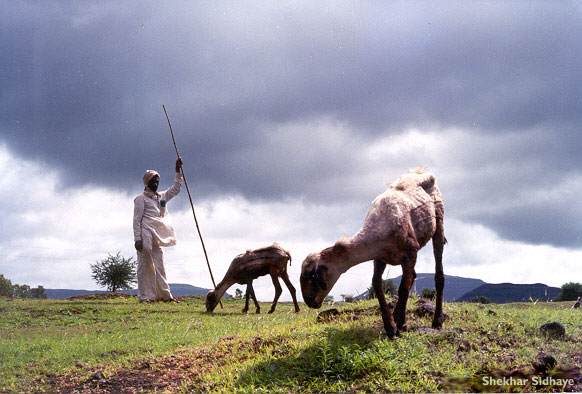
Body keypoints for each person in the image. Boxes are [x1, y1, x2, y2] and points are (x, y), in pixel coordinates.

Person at [133, 158, 183, 302]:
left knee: (160, 264)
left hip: (157, 236)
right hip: (145, 234)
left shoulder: (161, 196)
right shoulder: (140, 199)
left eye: (157, 181)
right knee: (145, 264)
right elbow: (136, 220)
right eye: (153, 181)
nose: (155, 184)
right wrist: (138, 239)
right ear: (147, 183)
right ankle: (146, 297)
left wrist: (177, 170)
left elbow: (176, 189)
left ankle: (165, 296)